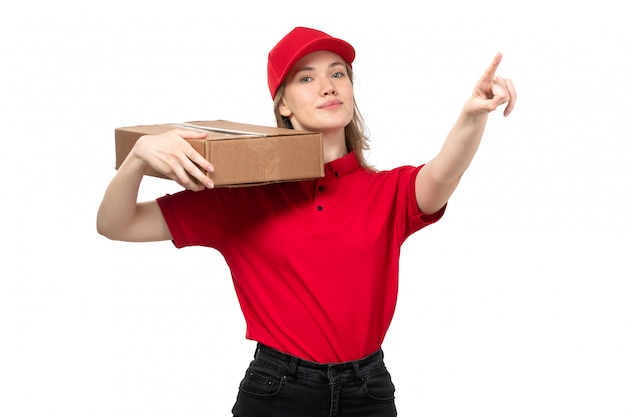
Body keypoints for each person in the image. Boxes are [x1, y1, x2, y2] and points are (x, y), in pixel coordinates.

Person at [97, 26, 516, 417]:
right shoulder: (241, 199)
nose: (328, 85)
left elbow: (444, 172)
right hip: (278, 390)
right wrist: (136, 159)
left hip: (368, 390)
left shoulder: (389, 192)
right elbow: (118, 225)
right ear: (282, 104)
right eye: (306, 78)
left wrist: (473, 115)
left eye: (338, 73)